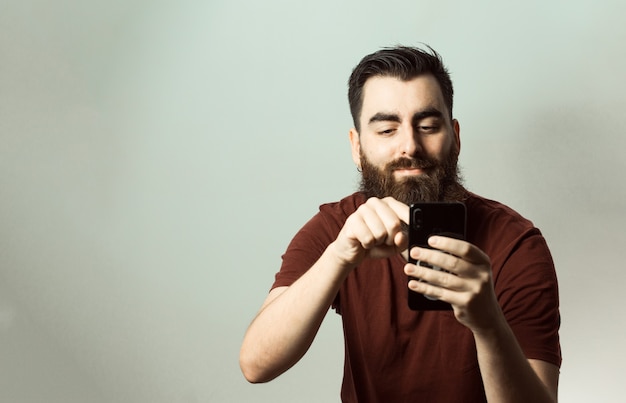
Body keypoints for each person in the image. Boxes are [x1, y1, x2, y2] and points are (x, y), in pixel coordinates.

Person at [239, 45, 561, 402]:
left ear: (455, 138)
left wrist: (488, 323)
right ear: (357, 148)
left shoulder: (515, 242)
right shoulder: (337, 227)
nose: (409, 145)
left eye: (427, 126)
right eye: (386, 130)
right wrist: (338, 257)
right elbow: (256, 364)